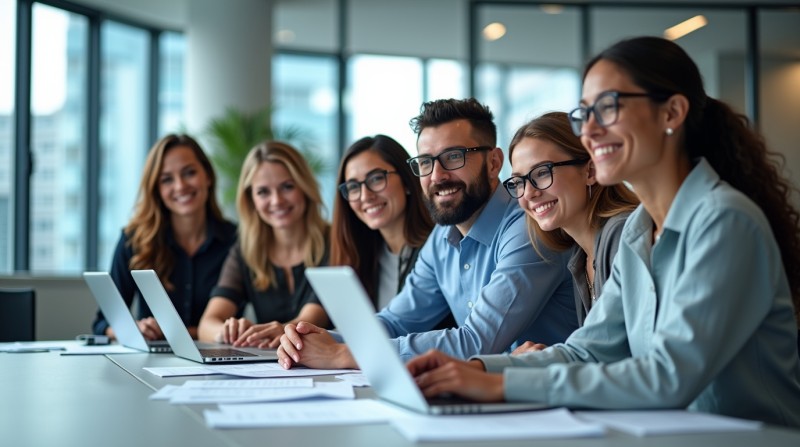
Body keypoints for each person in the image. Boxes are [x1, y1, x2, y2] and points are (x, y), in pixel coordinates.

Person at [406, 36, 800, 427]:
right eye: (585, 113)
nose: (589, 130)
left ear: (671, 113)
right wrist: (476, 368)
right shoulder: (638, 233)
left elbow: (668, 376)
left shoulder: (724, 220)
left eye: (608, 107)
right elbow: (586, 352)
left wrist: (499, 385)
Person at [278, 98, 577, 370]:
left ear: (494, 163)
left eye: (453, 157)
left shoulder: (528, 227)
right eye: (425, 162)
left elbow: (476, 341)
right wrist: (313, 338)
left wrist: (347, 354)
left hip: (551, 396)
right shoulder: (442, 237)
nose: (437, 176)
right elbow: (395, 322)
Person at [503, 112, 638, 354]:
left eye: (542, 172)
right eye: (519, 182)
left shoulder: (622, 235)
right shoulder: (580, 258)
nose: (529, 193)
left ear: (590, 171)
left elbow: (619, 358)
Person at [92, 134, 237, 340]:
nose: (180, 186)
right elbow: (103, 323)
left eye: (189, 173)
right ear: (157, 189)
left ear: (208, 176)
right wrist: (135, 330)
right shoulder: (134, 240)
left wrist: (172, 333)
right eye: (167, 179)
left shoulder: (237, 241)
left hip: (222, 355)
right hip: (152, 356)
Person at [197, 141, 330, 349]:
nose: (276, 200)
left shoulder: (334, 241)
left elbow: (311, 320)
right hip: (271, 365)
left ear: (304, 187)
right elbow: (207, 324)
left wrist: (283, 330)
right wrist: (226, 332)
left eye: (287, 187)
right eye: (263, 192)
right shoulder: (245, 251)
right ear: (251, 199)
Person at [332, 134, 434, 310]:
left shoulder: (438, 248)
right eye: (353, 187)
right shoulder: (361, 257)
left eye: (376, 178)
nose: (365, 196)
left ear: (406, 181)